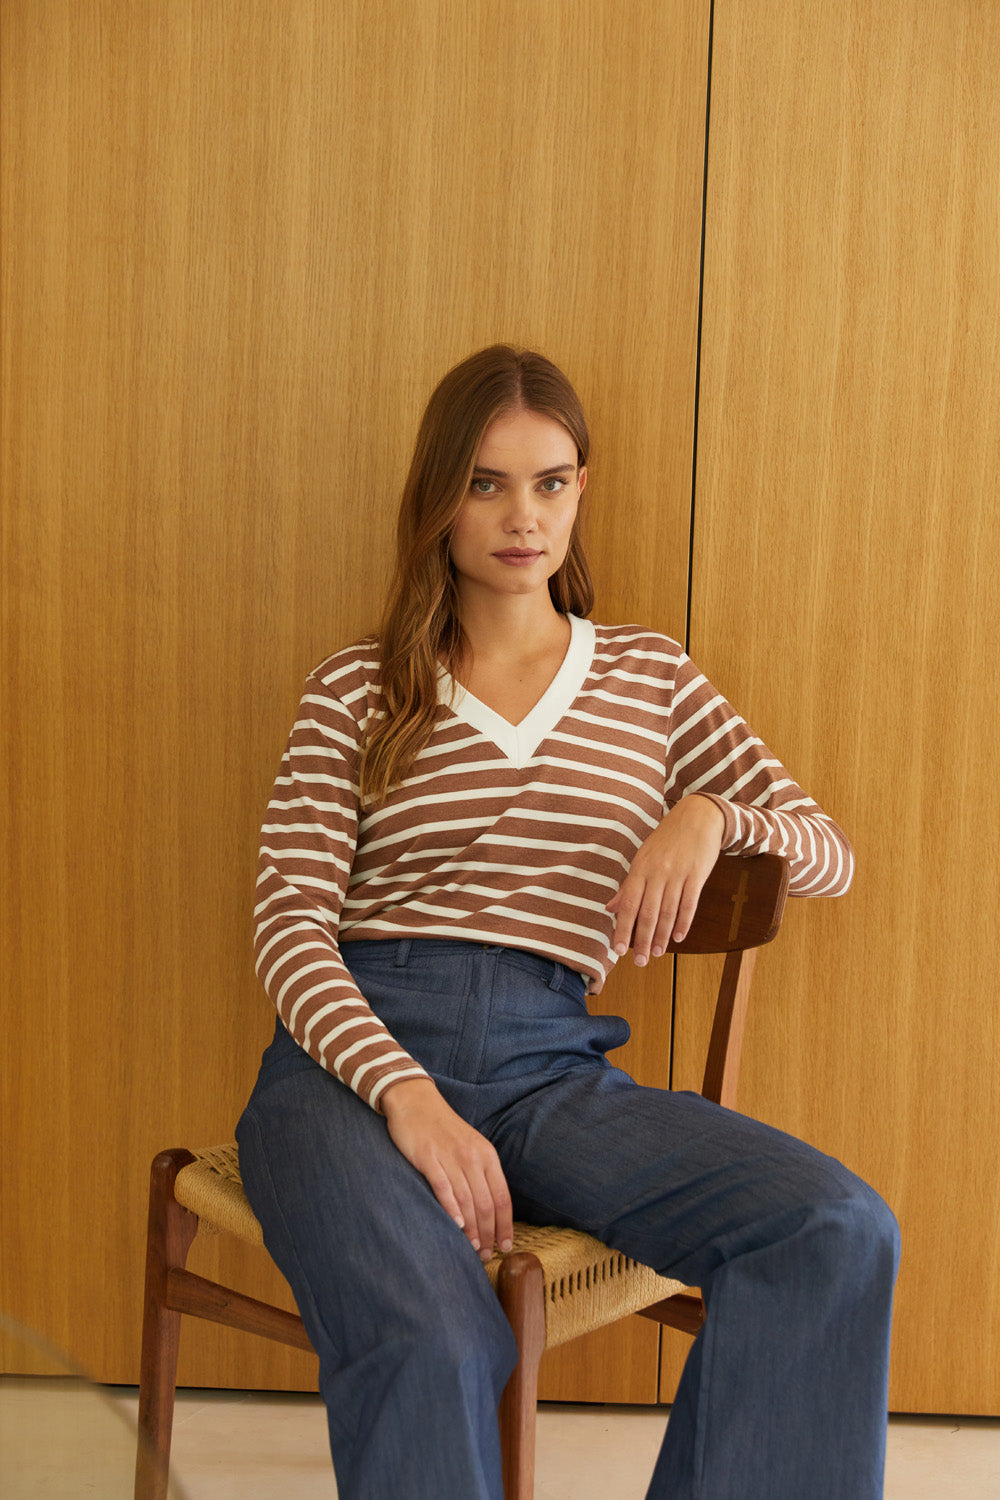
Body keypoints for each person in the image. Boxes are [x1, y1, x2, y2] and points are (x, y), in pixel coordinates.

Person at [237, 345, 899, 1499]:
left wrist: (710, 815)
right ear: (439, 496)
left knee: (831, 1228)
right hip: (348, 1072)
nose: (521, 516)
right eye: (485, 484)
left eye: (548, 482)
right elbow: (288, 925)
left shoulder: (649, 679)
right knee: (437, 1337)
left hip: (548, 1069)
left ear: (579, 489)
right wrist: (408, 1098)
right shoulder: (358, 685)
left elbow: (828, 855)